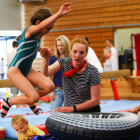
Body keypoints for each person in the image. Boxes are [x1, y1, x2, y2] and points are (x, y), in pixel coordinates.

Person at [1, 2, 71, 118]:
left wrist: (43, 51)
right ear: (39, 23)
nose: (48, 32)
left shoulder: (38, 37)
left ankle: (29, 99)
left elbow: (28, 49)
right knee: (34, 97)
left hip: (27, 70)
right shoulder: (30, 31)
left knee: (49, 86)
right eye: (47, 28)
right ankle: (9, 101)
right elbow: (39, 28)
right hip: (15, 70)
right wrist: (58, 14)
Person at [41, 36, 101, 113]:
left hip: (88, 111)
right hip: (70, 110)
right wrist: (45, 59)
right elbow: (45, 73)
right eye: (75, 52)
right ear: (70, 51)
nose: (77, 55)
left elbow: (95, 100)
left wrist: (73, 108)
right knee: (53, 117)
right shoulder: (64, 62)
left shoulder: (92, 71)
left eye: (81, 52)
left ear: (86, 53)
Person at [49, 35, 70, 114]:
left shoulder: (71, 57)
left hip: (70, 90)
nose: (60, 47)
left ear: (66, 45)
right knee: (54, 114)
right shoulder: (52, 58)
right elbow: (48, 75)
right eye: (58, 46)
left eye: (62, 45)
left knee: (69, 115)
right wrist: (50, 91)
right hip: (57, 90)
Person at [7, 41, 24, 108]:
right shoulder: (19, 53)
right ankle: (22, 106)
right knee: (23, 92)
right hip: (20, 74)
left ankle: (17, 107)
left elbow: (8, 65)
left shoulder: (8, 54)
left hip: (12, 75)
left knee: (14, 93)